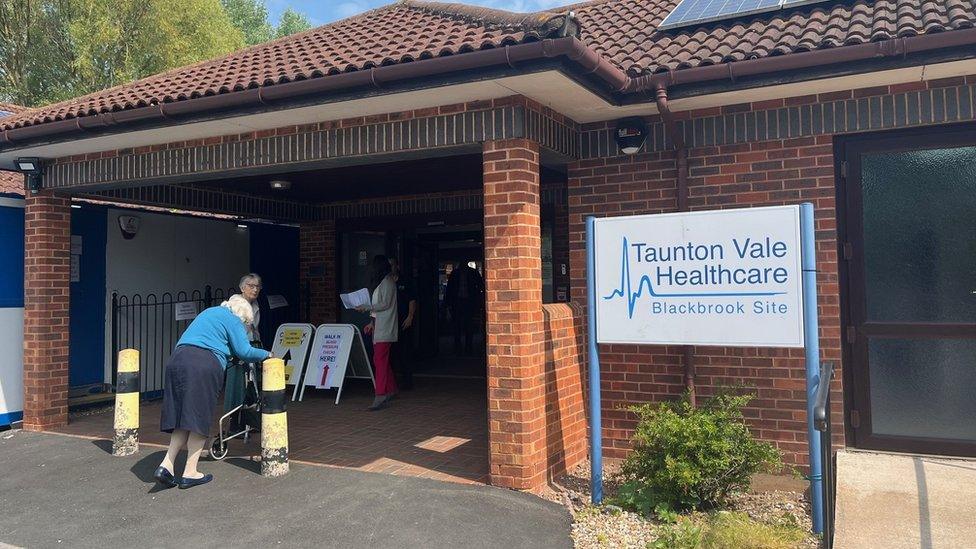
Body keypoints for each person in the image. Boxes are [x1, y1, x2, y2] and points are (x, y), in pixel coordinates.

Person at [154, 294, 271, 489]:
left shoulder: (210, 312)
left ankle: (166, 466)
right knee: (198, 418)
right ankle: (190, 472)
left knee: (182, 419)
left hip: (178, 360)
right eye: (245, 324)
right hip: (202, 365)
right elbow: (244, 351)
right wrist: (268, 354)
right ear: (242, 315)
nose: (243, 327)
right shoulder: (234, 318)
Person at [359, 255, 398, 410]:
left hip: (385, 327)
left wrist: (368, 308)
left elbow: (384, 304)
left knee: (379, 360)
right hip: (380, 326)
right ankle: (391, 388)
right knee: (381, 360)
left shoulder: (387, 282)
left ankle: (381, 394)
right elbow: (379, 306)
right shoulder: (384, 282)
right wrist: (371, 322)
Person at [224, 274, 264, 426]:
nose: (255, 289)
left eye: (257, 286)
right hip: (239, 349)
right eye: (251, 286)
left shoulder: (255, 305)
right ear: (242, 287)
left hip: (252, 346)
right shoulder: (236, 304)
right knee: (238, 385)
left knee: (251, 383)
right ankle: (235, 423)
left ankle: (248, 421)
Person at [445, 259, 484, 355]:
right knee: (457, 325)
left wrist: (477, 299)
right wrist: (448, 303)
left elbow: (480, 285)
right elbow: (449, 288)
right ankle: (457, 347)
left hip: (469, 301)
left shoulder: (473, 272)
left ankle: (468, 347)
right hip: (457, 301)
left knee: (468, 324)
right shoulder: (455, 273)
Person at [389, 257, 417, 390]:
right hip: (390, 321)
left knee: (404, 351)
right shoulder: (386, 282)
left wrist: (410, 316)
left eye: (392, 265)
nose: (390, 268)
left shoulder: (405, 281)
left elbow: (412, 300)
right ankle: (393, 382)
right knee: (392, 352)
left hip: (403, 320)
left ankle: (407, 382)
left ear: (397, 266)